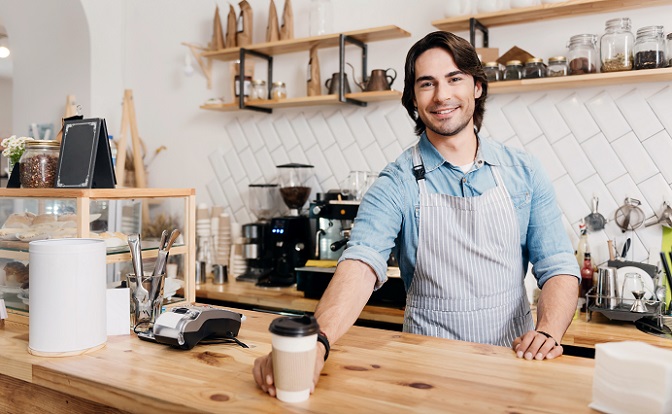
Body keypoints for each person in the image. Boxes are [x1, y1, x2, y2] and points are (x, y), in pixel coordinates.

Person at [253, 31, 580, 397]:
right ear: (413, 99)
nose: (442, 96)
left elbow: (558, 266)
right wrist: (316, 342)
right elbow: (361, 263)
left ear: (477, 87)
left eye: (454, 78)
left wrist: (548, 331)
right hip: (425, 371)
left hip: (513, 361)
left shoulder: (524, 171)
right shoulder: (396, 182)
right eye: (427, 84)